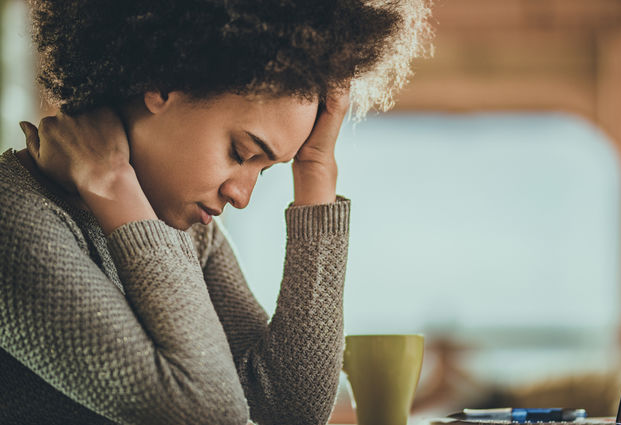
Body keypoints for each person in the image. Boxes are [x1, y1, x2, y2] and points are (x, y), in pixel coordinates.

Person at [0, 1, 432, 424]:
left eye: (266, 170)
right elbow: (209, 412)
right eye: (241, 152)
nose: (242, 197)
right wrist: (112, 185)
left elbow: (291, 408)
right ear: (163, 82)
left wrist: (317, 169)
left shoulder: (183, 228)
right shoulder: (12, 217)